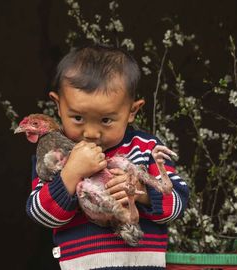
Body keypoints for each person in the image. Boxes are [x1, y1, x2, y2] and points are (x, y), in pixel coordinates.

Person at [26, 44, 189, 270]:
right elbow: (41, 214)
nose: (91, 133)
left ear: (132, 111)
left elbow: (178, 204)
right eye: (78, 118)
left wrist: (142, 193)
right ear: (58, 106)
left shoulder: (145, 148)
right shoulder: (53, 156)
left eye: (105, 120)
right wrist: (71, 174)